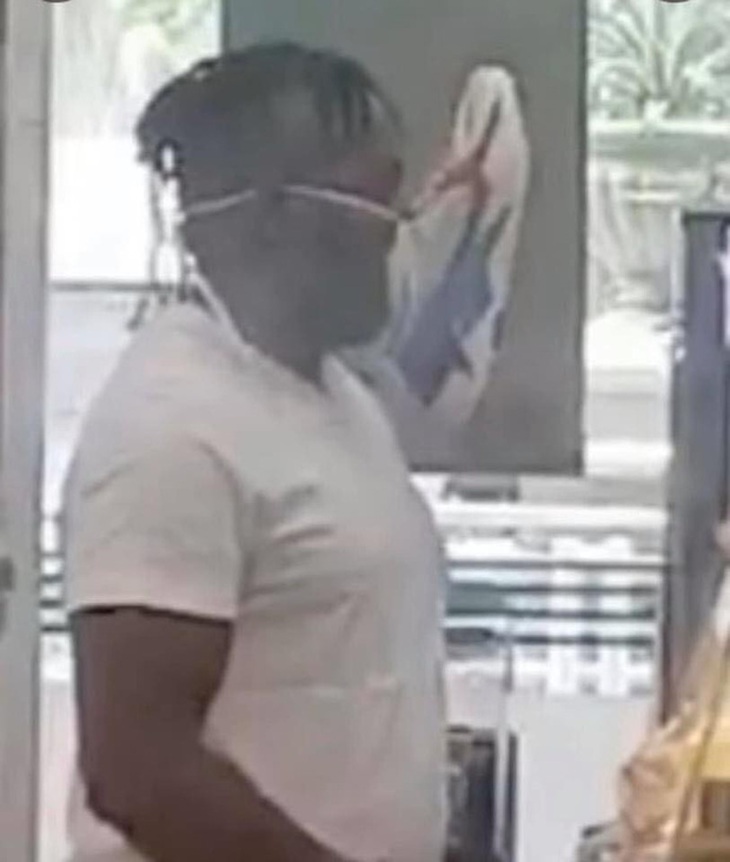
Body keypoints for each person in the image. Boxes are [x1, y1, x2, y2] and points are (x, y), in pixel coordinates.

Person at [63, 44, 447, 862]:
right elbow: (138, 770)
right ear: (278, 216)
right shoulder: (173, 428)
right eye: (379, 199)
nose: (401, 231)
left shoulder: (335, 398)